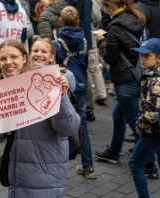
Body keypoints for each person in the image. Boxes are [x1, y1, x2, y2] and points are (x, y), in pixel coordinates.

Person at [0, 39, 81, 197]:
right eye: (3, 59)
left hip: (45, 171)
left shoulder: (45, 82)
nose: (8, 62)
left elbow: (68, 128)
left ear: (25, 58)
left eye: (14, 57)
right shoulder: (2, 88)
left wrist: (61, 96)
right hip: (18, 173)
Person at [94, 0, 146, 164]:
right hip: (137, 74)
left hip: (124, 80)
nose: (104, 11)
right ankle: (113, 152)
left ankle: (148, 164)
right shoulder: (136, 17)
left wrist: (102, 40)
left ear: (110, 5)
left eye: (104, 7)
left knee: (137, 125)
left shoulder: (115, 26)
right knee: (118, 115)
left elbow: (110, 57)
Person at [54, 6, 96, 179]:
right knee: (82, 126)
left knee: (59, 127)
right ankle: (88, 166)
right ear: (78, 21)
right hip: (81, 84)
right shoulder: (85, 40)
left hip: (66, 85)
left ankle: (57, 167)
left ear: (60, 22)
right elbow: (85, 62)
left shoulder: (57, 43)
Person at [128, 38, 160, 198]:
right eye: (141, 55)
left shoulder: (155, 81)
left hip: (154, 130)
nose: (142, 59)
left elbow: (152, 114)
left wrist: (140, 124)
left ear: (159, 58)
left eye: (147, 56)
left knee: (135, 163)